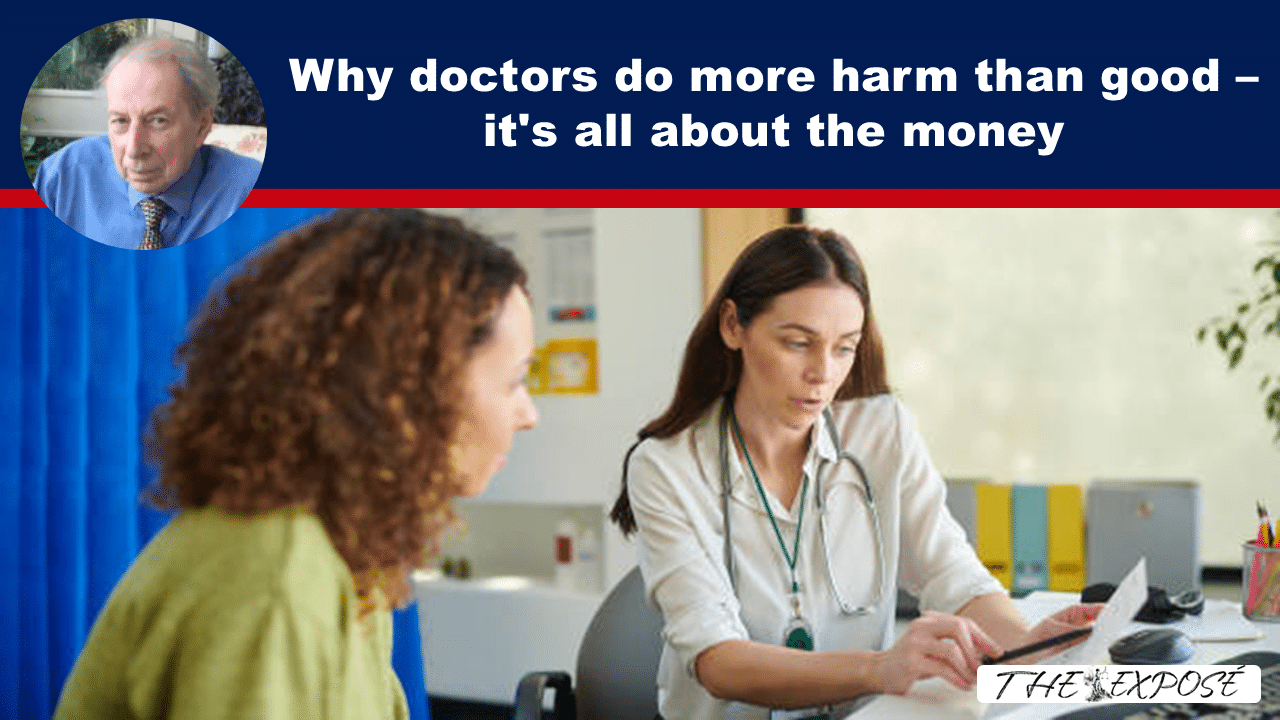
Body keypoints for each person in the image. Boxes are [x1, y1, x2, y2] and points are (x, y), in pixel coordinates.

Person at [54, 209, 538, 719]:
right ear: (407, 390)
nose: (528, 415)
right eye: (514, 382)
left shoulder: (350, 560)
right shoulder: (275, 572)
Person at [610, 226, 1102, 720]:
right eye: (798, 343)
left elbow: (953, 574)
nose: (822, 373)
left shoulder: (882, 432)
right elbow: (717, 661)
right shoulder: (666, 467)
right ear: (733, 325)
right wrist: (879, 668)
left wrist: (1024, 646)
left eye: (844, 347)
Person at [34, 35, 262, 250]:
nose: (134, 149)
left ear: (202, 125)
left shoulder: (250, 192)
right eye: (121, 121)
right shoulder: (63, 178)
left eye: (158, 121)